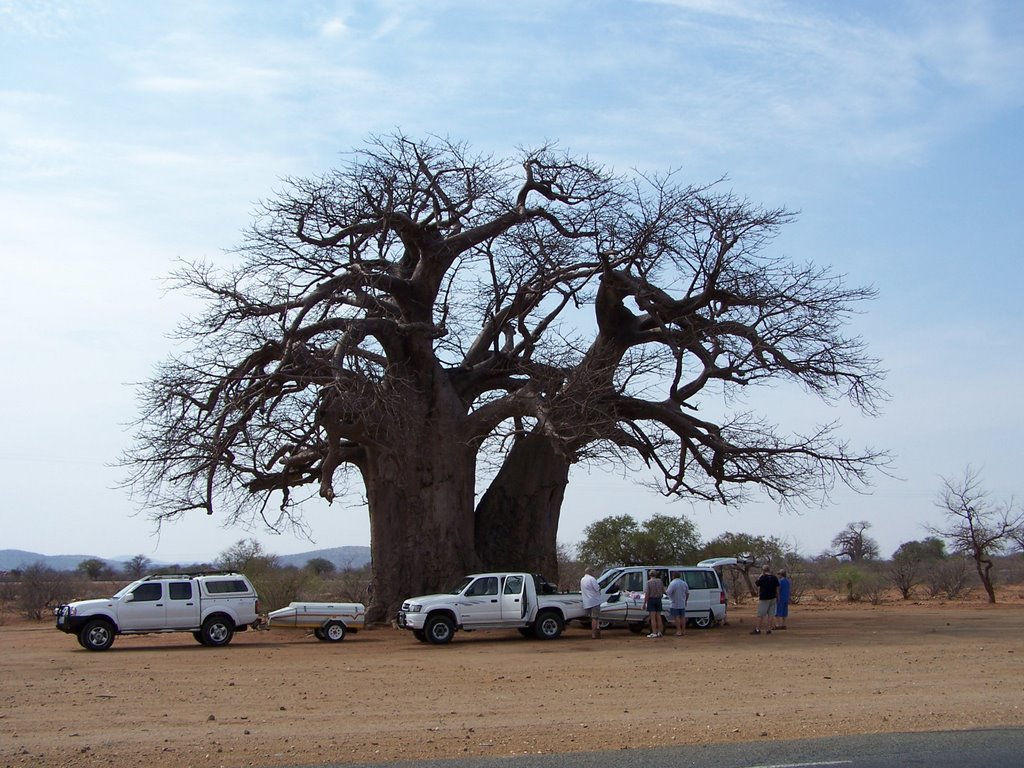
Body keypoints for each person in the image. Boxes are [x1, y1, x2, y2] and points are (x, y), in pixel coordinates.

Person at [752, 565, 780, 636]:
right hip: (773, 598)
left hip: (764, 599)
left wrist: (760, 576)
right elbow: (777, 589)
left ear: (763, 571)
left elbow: (757, 584)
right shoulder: (774, 578)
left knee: (760, 615)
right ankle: (769, 630)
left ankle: (757, 629)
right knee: (771, 615)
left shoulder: (762, 578)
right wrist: (777, 598)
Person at [580, 567, 604, 639]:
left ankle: (597, 631)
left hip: (586, 601)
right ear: (590, 572)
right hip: (594, 601)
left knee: (593, 617)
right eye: (592, 572)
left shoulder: (582, 579)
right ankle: (594, 633)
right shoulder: (592, 579)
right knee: (595, 618)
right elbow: (597, 588)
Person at [644, 569, 666, 638]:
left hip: (651, 599)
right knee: (659, 616)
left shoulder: (649, 582)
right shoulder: (660, 581)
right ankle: (660, 632)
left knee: (653, 617)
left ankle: (654, 632)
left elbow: (647, 593)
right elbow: (663, 591)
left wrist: (644, 603)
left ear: (650, 575)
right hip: (659, 599)